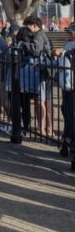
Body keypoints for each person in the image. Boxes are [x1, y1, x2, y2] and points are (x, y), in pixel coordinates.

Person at [23, 15, 53, 137]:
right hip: (44, 70)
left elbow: (36, 50)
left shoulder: (38, 35)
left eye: (28, 26)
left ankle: (42, 128)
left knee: (41, 100)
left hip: (41, 71)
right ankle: (47, 129)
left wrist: (24, 44)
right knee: (45, 100)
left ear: (34, 25)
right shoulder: (41, 35)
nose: (27, 29)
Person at [53, 23, 75, 156]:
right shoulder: (68, 44)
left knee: (70, 113)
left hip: (71, 84)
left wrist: (64, 52)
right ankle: (67, 139)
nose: (69, 34)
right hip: (67, 84)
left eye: (71, 32)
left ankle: (69, 140)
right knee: (66, 111)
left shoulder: (69, 46)